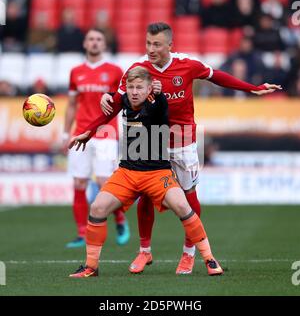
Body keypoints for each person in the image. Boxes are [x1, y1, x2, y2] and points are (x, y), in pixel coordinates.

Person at [100, 22, 282, 275]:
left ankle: (188, 254)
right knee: (144, 195)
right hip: (150, 142)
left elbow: (217, 76)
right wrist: (105, 98)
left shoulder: (187, 64)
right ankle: (144, 252)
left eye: (157, 44)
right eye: (148, 44)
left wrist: (252, 88)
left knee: (188, 197)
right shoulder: (138, 68)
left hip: (183, 141)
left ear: (169, 45)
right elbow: (119, 98)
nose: (151, 49)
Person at [68, 66, 223, 278]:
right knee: (97, 207)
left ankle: (209, 259)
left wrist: (157, 93)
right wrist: (108, 96)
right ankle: (91, 267)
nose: (134, 91)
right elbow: (115, 100)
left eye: (139, 87)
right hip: (127, 173)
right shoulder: (125, 100)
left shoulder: (157, 103)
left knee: (183, 207)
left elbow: (159, 103)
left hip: (157, 173)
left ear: (149, 88)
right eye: (130, 87)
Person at [63, 28, 130, 248]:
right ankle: (82, 234)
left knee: (105, 182)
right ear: (84, 43)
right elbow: (72, 104)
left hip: (105, 132)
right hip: (80, 132)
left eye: (99, 39)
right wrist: (66, 133)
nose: (94, 43)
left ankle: (120, 219)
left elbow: (121, 102)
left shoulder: (114, 71)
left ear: (104, 44)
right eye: (91, 39)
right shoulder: (76, 72)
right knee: (79, 182)